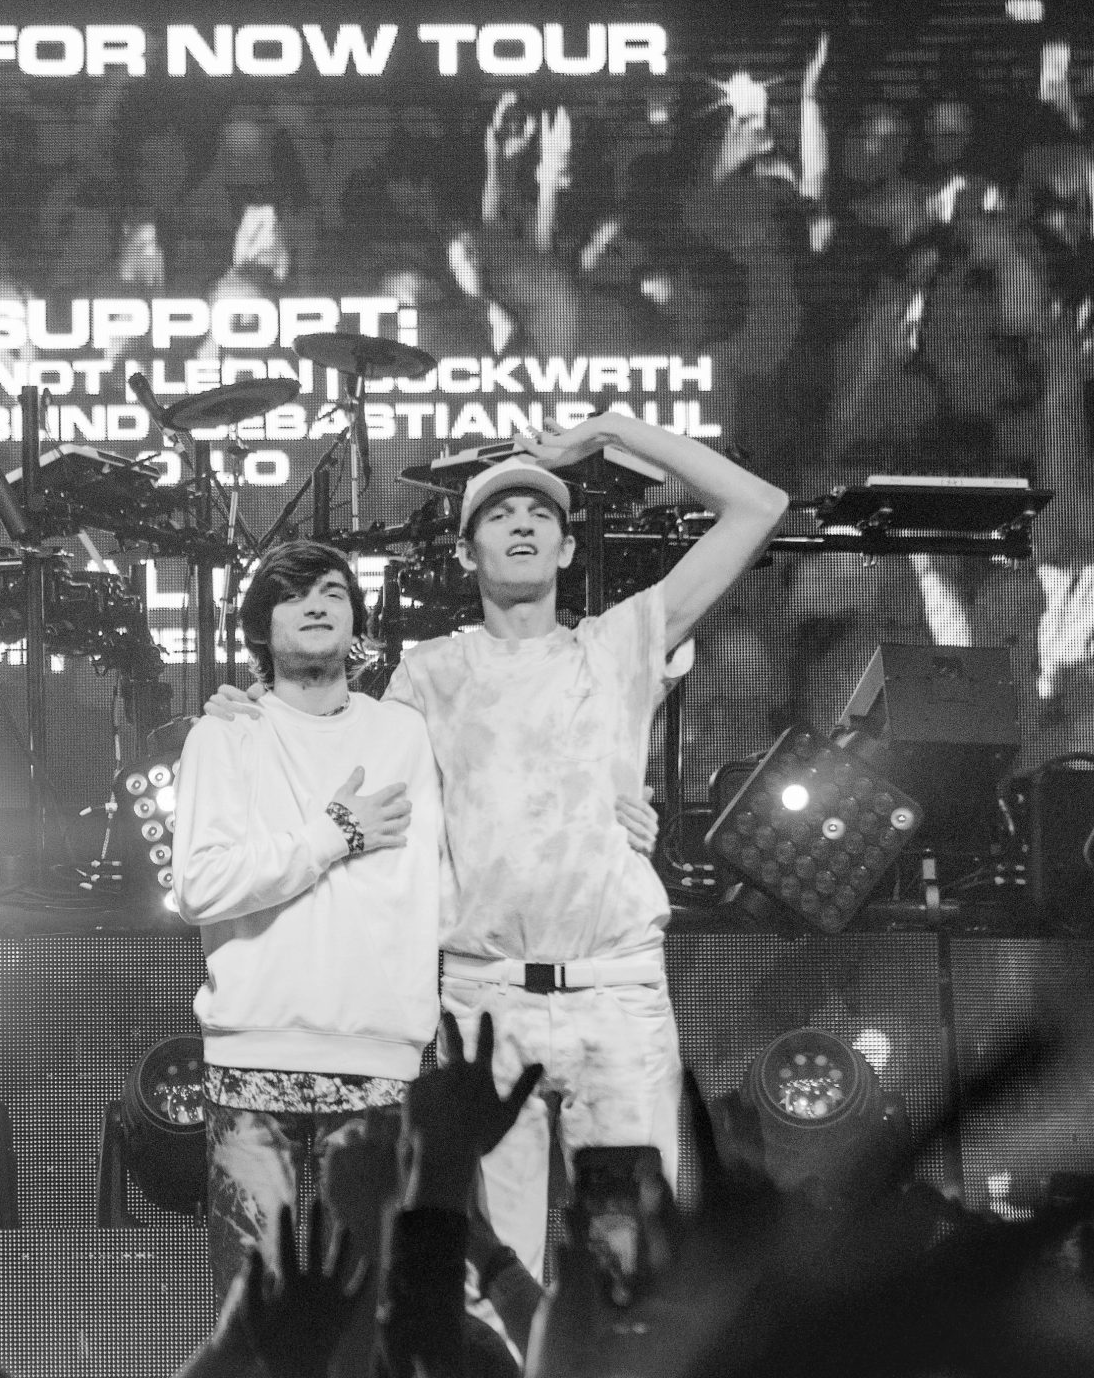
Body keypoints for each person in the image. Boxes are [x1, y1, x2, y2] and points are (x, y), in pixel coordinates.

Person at [209, 416, 788, 1277]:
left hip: (613, 992)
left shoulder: (617, 645)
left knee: (631, 1268)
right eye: (499, 514)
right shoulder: (427, 674)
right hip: (482, 1001)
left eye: (542, 513)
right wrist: (248, 714)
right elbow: (340, 767)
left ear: (566, 549)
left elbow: (759, 506)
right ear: (465, 551)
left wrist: (608, 430)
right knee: (495, 1275)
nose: (522, 523)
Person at [170, 540, 441, 1340]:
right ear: (261, 626)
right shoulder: (225, 735)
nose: (318, 604)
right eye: (294, 594)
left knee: (375, 1325)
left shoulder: (403, 734)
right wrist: (332, 834)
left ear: (357, 619)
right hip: (253, 1059)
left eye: (333, 591)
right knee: (252, 1325)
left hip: (379, 1062)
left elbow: (431, 884)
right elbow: (200, 885)